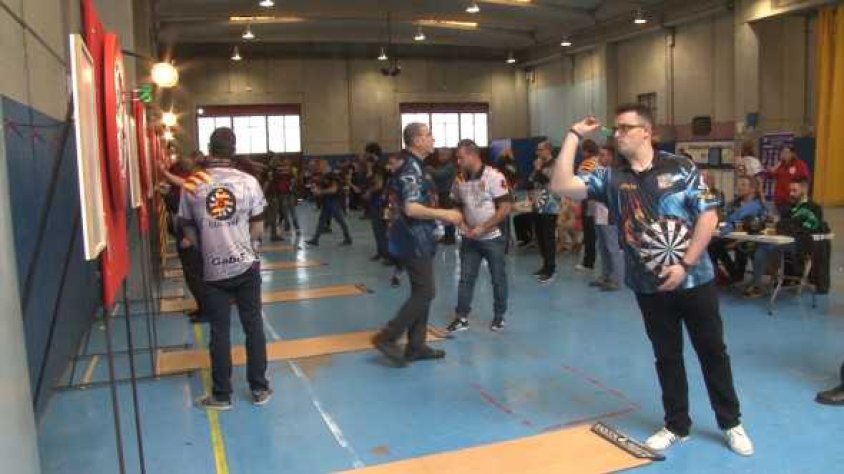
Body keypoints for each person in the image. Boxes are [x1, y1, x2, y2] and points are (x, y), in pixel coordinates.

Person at [550, 105, 754, 457]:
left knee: (712, 352)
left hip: (695, 281)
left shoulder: (682, 167)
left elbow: (708, 217)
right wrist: (573, 134)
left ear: (646, 132)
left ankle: (731, 422)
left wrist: (685, 265)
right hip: (649, 287)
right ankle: (677, 425)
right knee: (666, 356)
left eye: (625, 128)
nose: (617, 134)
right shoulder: (610, 177)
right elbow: (560, 184)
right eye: (615, 128)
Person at [178, 127, 271, 410]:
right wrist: (247, 246)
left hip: (213, 270)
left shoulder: (193, 183)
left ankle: (221, 395)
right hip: (246, 266)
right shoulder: (249, 182)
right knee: (253, 326)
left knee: (219, 331)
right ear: (233, 149)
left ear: (210, 148)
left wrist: (207, 249)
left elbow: (187, 229)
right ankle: (259, 388)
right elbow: (258, 227)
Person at [371, 123, 463, 367]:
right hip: (412, 237)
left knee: (421, 291)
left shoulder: (417, 165)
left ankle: (416, 345)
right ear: (416, 140)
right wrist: (445, 214)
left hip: (420, 236)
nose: (433, 139)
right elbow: (411, 208)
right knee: (426, 291)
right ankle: (387, 337)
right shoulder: (411, 167)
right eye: (428, 135)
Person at [445, 139, 513, 333]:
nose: (458, 161)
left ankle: (499, 317)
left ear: (473, 155)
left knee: (498, 278)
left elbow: (505, 208)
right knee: (465, 278)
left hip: (493, 238)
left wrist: (484, 227)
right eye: (457, 158)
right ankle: (461, 317)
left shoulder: (494, 176)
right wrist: (462, 224)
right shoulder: (459, 180)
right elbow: (456, 205)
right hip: (470, 239)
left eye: (461, 157)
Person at [744, 178, 823, 298]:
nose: (791, 193)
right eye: (790, 190)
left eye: (794, 190)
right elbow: (781, 225)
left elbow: (807, 228)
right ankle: (757, 282)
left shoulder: (814, 208)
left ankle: (758, 283)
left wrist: (786, 226)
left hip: (801, 244)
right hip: (782, 240)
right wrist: (783, 225)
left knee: (765, 249)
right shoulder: (788, 207)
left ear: (804, 190)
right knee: (760, 246)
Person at [159, 149, 208, 323]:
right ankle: (202, 308)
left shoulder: (201, 183)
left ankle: (206, 310)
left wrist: (191, 237)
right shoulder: (197, 182)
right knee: (192, 276)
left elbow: (199, 213)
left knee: (196, 276)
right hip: (189, 233)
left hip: (193, 236)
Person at [708, 176, 765, 285]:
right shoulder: (733, 203)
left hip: (749, 239)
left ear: (752, 189)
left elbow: (760, 225)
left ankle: (736, 274)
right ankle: (722, 275)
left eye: (743, 185)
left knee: (741, 245)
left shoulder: (757, 206)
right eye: (738, 184)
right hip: (730, 235)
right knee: (712, 245)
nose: (739, 187)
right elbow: (723, 217)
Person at [591, 144, 625, 291]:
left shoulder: (616, 174)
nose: (600, 157)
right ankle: (605, 276)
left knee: (612, 248)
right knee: (602, 247)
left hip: (610, 215)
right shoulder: (597, 171)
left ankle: (617, 280)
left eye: (604, 155)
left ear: (611, 157)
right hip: (598, 214)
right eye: (599, 154)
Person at [530, 141, 562, 283]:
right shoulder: (539, 164)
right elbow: (532, 179)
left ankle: (551, 268)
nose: (538, 152)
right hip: (538, 205)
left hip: (550, 206)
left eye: (540, 149)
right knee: (540, 237)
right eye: (537, 149)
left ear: (548, 150)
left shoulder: (555, 165)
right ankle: (545, 264)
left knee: (548, 237)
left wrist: (538, 170)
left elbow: (546, 180)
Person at [305, 160, 352, 246]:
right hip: (327, 201)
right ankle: (315, 239)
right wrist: (316, 191)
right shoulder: (323, 176)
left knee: (340, 220)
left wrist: (321, 192)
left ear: (325, 166)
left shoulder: (332, 176)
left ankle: (348, 238)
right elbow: (322, 187)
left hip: (334, 201)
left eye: (320, 165)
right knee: (322, 220)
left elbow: (334, 189)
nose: (318, 167)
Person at [576, 139, 600, 272]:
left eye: (582, 150)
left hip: (590, 201)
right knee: (598, 231)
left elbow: (582, 183)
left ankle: (588, 262)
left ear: (586, 151)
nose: (581, 152)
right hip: (600, 201)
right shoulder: (600, 161)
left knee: (589, 231)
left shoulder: (588, 163)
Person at [428, 147, 458, 245]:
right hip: (442, 193)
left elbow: (439, 175)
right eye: (439, 155)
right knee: (445, 217)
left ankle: (450, 238)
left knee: (448, 216)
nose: (440, 157)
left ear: (448, 155)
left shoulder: (450, 166)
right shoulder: (443, 165)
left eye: (442, 155)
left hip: (447, 194)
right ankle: (447, 235)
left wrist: (430, 169)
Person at [769, 145, 810, 213]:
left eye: (786, 152)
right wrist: (774, 167)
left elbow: (805, 180)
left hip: (792, 200)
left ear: (792, 154)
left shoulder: (799, 164)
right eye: (783, 152)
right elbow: (771, 175)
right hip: (779, 200)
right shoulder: (780, 165)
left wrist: (804, 197)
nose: (784, 154)